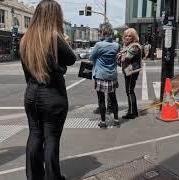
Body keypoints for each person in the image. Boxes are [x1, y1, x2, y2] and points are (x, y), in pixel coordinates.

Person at [19, 1, 76, 179]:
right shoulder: (54, 38)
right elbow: (71, 59)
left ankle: (34, 177)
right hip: (52, 94)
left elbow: (26, 72)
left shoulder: (26, 39)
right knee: (51, 137)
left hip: (31, 93)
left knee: (34, 135)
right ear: (55, 17)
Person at [89, 22, 120, 128]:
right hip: (112, 75)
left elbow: (91, 57)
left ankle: (103, 122)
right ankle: (116, 120)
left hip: (101, 75)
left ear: (103, 32)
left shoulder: (99, 45)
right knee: (113, 98)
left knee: (101, 99)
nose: (99, 33)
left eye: (99, 32)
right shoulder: (116, 45)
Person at [118, 28, 142, 119]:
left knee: (129, 91)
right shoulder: (129, 45)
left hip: (131, 71)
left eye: (130, 36)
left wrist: (121, 55)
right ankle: (133, 111)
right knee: (130, 91)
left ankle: (131, 113)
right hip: (129, 71)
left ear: (134, 37)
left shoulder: (134, 46)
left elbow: (125, 58)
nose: (127, 37)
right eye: (126, 36)